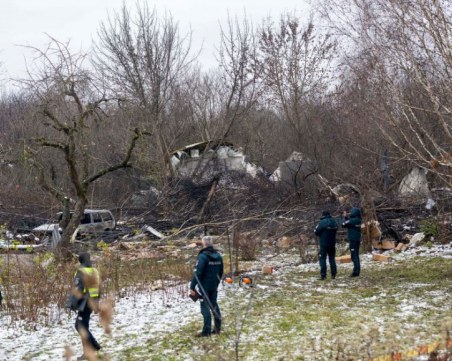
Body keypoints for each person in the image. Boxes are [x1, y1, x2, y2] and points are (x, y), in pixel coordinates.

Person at [189, 236, 224, 337]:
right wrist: (217, 283)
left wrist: (192, 286)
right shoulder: (218, 256)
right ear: (211, 244)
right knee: (214, 306)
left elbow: (198, 272)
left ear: (204, 244)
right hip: (214, 286)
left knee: (205, 308)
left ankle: (206, 332)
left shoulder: (202, 257)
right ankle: (217, 329)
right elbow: (220, 272)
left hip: (203, 287)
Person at [72, 252, 101, 360]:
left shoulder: (80, 272)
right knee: (84, 327)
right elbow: (98, 288)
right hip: (92, 302)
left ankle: (93, 347)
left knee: (79, 326)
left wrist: (74, 304)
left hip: (84, 303)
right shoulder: (94, 271)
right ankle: (89, 351)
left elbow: (78, 290)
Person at [314, 210, 338, 280]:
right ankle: (333, 274)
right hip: (332, 243)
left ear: (323, 215)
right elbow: (336, 229)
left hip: (324, 244)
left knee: (322, 259)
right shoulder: (334, 221)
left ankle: (323, 275)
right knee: (332, 258)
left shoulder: (322, 223)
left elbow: (316, 231)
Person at [341, 207, 363, 277]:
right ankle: (357, 270)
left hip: (353, 239)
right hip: (357, 239)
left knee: (354, 256)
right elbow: (349, 223)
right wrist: (346, 217)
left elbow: (343, 224)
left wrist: (344, 217)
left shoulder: (353, 220)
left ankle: (356, 272)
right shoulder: (358, 220)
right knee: (356, 255)